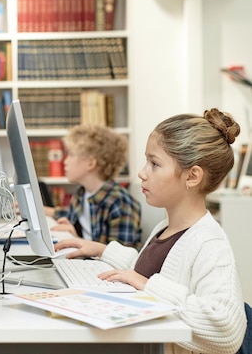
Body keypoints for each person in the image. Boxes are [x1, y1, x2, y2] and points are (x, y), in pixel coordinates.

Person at [55, 109, 247, 354]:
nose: (142, 173)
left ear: (192, 176)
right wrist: (103, 250)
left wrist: (147, 286)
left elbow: (227, 330)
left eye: (154, 163)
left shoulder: (208, 241)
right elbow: (154, 270)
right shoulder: (165, 227)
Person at [46, 124, 142, 249]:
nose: (65, 161)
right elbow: (67, 213)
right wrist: (40, 210)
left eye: (71, 154)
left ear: (91, 163)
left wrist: (76, 239)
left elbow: (119, 257)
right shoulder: (82, 192)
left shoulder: (120, 203)